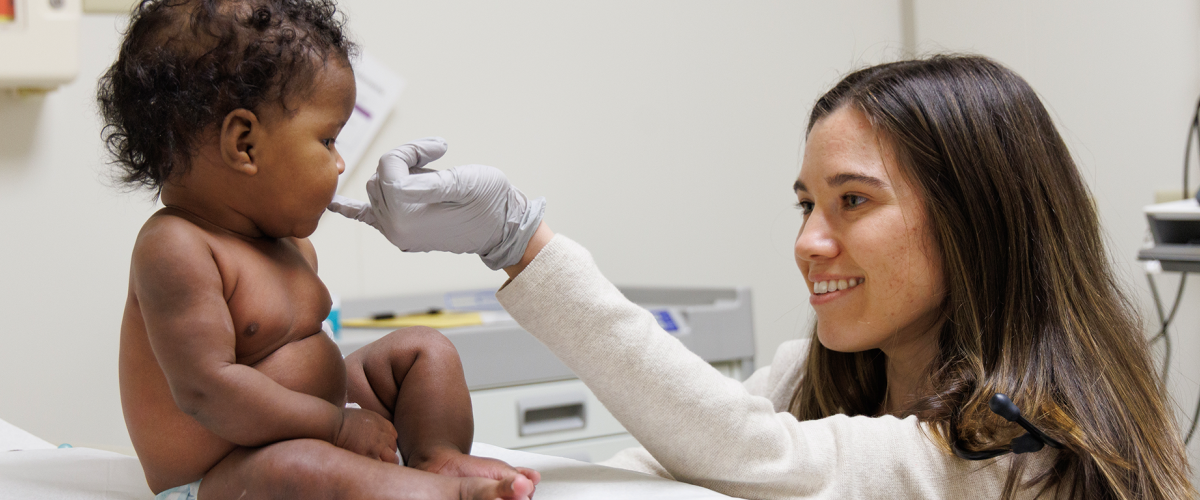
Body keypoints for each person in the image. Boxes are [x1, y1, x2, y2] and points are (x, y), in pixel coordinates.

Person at [330, 55, 1196, 498]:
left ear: (977, 216)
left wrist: (524, 242)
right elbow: (652, 472)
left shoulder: (1023, 445)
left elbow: (759, 459)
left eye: (852, 201)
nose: (811, 242)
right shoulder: (809, 379)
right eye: (805, 205)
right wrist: (454, 472)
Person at [98, 1, 539, 499]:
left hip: (320, 425)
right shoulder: (176, 247)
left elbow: (309, 363)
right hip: (225, 476)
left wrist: (339, 420)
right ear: (244, 145)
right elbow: (208, 391)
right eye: (327, 139)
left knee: (423, 350)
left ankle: (437, 459)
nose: (339, 163)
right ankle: (449, 498)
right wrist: (334, 428)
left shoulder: (288, 242)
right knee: (296, 466)